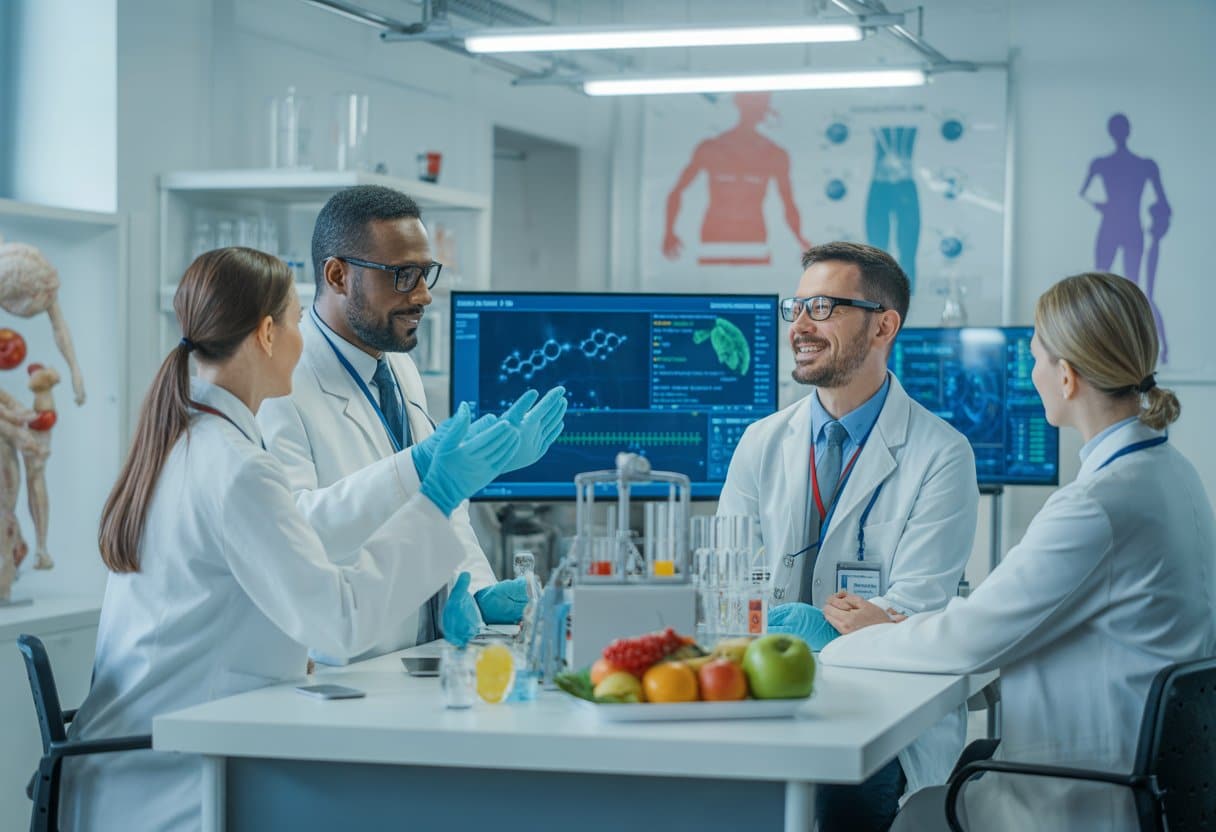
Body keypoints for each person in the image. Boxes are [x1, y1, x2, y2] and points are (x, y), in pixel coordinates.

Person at [59, 248, 521, 830]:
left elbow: (301, 533)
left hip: (152, 761)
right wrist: (437, 498)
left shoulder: (191, 439)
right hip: (170, 784)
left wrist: (416, 469)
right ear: (268, 334)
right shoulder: (236, 467)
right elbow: (338, 620)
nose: (305, 341)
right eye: (300, 322)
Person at [820, 272, 1216, 832]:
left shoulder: (1096, 505)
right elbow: (1020, 625)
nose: (1031, 376)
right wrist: (901, 627)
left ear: (1068, 375)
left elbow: (969, 639)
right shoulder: (1172, 475)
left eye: (1034, 359)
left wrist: (848, 645)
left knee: (914, 815)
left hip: (1079, 796)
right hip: (1146, 782)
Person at [717, 241, 979, 831]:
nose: (800, 326)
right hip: (765, 689)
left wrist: (843, 634)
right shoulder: (761, 442)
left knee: (842, 799)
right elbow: (728, 585)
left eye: (825, 307)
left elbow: (913, 611)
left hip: (878, 712)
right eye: (796, 306)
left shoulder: (940, 454)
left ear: (884, 324)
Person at [259, 185, 566, 660]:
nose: (423, 295)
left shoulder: (396, 363)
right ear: (338, 275)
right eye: (402, 275)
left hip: (414, 656)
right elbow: (294, 530)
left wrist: (476, 586)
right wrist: (415, 469)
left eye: (425, 273)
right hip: (339, 664)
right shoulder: (282, 382)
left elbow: (443, 506)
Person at [662, 92, 810, 266]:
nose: (757, 110)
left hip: (754, 240)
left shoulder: (775, 154)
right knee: (710, 291)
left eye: (761, 104)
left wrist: (799, 238)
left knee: (757, 291)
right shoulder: (710, 149)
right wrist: (669, 232)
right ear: (740, 105)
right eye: (753, 103)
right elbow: (677, 191)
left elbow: (788, 201)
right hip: (713, 239)